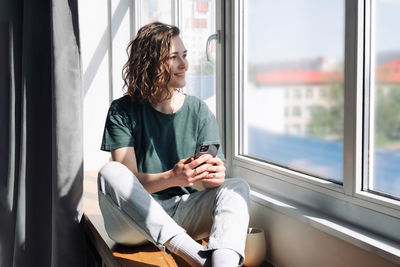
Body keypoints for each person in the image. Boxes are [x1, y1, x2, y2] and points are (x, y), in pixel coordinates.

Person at [98, 21, 250, 267]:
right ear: (150, 64)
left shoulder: (199, 111)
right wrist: (172, 177)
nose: (184, 65)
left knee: (238, 188)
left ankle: (222, 263)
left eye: (185, 56)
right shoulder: (122, 110)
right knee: (110, 172)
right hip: (132, 223)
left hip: (183, 213)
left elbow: (203, 184)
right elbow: (128, 181)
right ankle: (199, 258)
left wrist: (213, 177)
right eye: (174, 57)